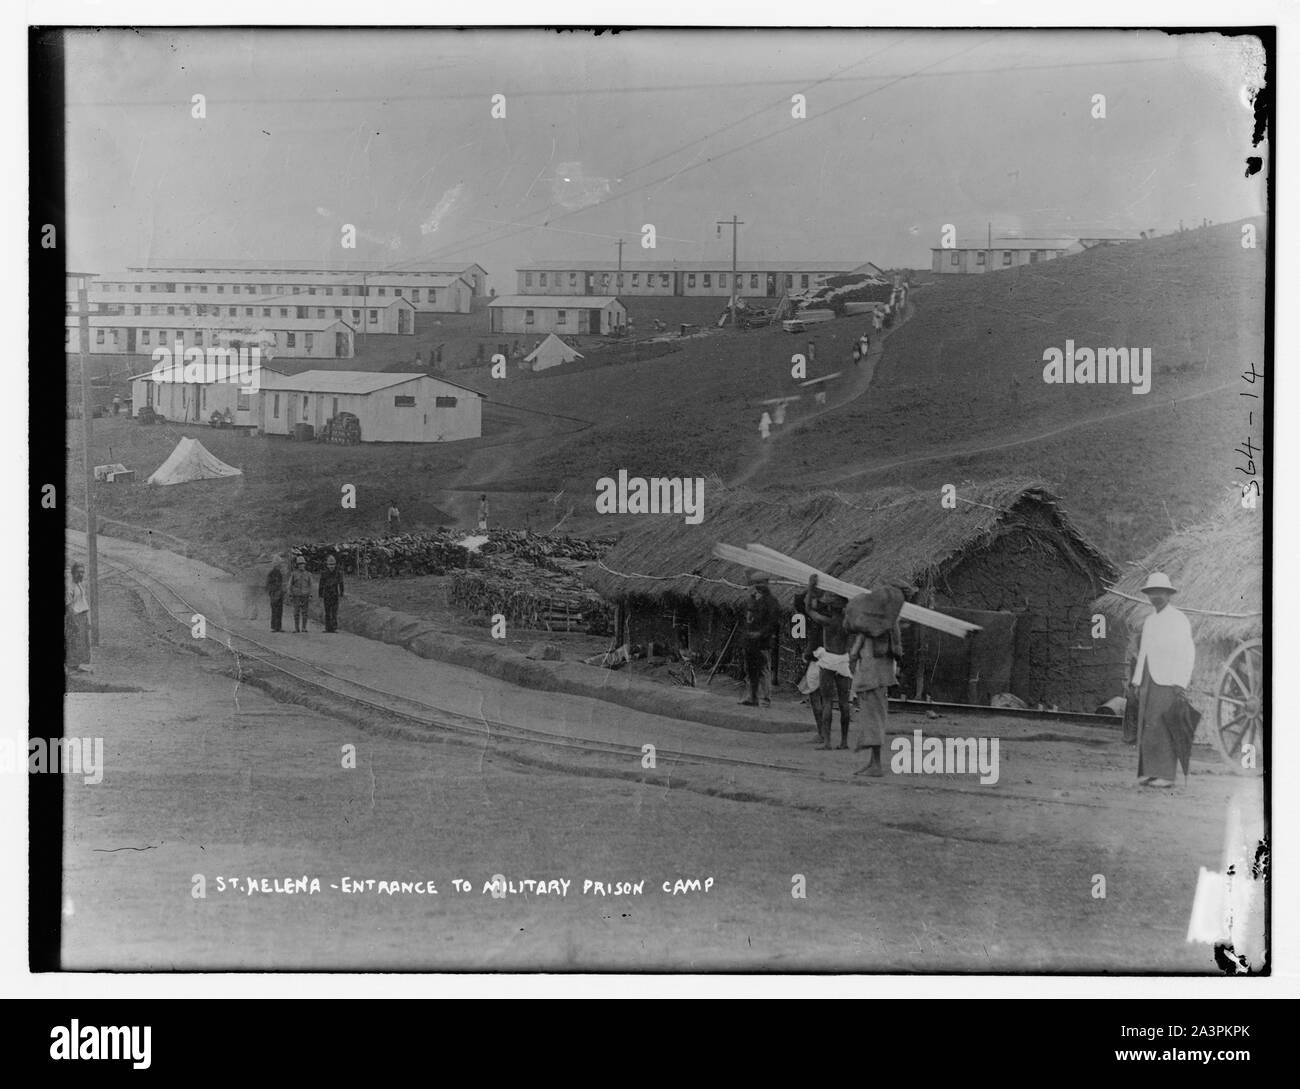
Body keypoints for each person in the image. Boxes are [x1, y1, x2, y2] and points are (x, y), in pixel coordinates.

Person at [1131, 572, 1196, 788]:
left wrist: (1181, 681)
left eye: (1160, 593)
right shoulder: (1149, 621)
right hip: (1149, 677)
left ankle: (1166, 776)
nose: (1156, 597)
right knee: (1149, 725)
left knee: (1164, 724)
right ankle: (1150, 771)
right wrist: (1137, 680)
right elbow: (1144, 653)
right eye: (1152, 593)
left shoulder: (1178, 619)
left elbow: (1187, 652)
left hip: (1169, 680)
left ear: (1168, 595)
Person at [848, 585, 905, 776]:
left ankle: (876, 765)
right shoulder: (887, 625)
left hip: (871, 677)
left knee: (873, 720)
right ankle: (873, 762)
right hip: (877, 677)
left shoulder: (875, 626)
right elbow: (897, 652)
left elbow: (854, 653)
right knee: (872, 719)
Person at [805, 579, 853, 750]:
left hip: (828, 660)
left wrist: (810, 589)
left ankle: (827, 741)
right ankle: (844, 741)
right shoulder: (849, 623)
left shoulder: (827, 621)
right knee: (844, 703)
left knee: (827, 702)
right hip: (843, 661)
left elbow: (808, 609)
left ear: (831, 607)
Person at [738, 572, 781, 708]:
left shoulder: (772, 602)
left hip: (763, 642)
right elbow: (747, 619)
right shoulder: (752, 600)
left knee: (763, 669)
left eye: (761, 583)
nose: (759, 586)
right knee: (750, 669)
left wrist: (761, 634)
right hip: (750, 641)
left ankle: (765, 698)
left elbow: (773, 624)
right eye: (756, 583)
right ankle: (752, 696)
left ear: (767, 583)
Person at [793, 586, 826, 738]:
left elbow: (813, 642)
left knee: (815, 696)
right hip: (834, 659)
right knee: (825, 697)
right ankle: (825, 732)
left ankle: (822, 732)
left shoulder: (817, 621)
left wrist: (807, 654)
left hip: (818, 661)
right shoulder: (832, 617)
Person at [65, 562, 92, 671]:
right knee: (74, 641)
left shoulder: (80, 584)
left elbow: (83, 601)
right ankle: (72, 666)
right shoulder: (69, 587)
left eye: (82, 572)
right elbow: (69, 605)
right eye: (78, 572)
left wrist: (87, 620)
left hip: (83, 616)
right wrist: (74, 621)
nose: (81, 574)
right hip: (74, 616)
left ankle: (81, 664)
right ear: (73, 573)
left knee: (83, 640)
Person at [318, 553, 345, 633]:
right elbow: (321, 584)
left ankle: (333, 627)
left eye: (333, 564)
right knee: (327, 611)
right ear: (327, 565)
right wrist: (320, 594)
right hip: (327, 594)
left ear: (335, 564)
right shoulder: (324, 573)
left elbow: (341, 583)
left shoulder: (338, 573)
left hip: (334, 594)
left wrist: (341, 593)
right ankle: (327, 628)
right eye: (330, 564)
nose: (331, 566)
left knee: (334, 611)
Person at [287, 555, 313, 633]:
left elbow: (311, 585)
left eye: (303, 564)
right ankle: (296, 628)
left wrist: (310, 594)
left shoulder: (308, 574)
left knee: (305, 612)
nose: (301, 565)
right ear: (297, 565)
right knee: (296, 612)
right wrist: (290, 594)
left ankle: (304, 627)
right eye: (300, 564)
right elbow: (289, 585)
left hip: (305, 595)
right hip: (296, 595)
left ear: (305, 565)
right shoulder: (294, 574)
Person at [265, 554, 286, 632]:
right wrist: (272, 592)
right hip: (274, 594)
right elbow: (268, 584)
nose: (280, 566)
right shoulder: (272, 573)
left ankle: (278, 627)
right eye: (279, 564)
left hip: (279, 594)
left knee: (279, 611)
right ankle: (275, 627)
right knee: (275, 611)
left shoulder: (278, 573)